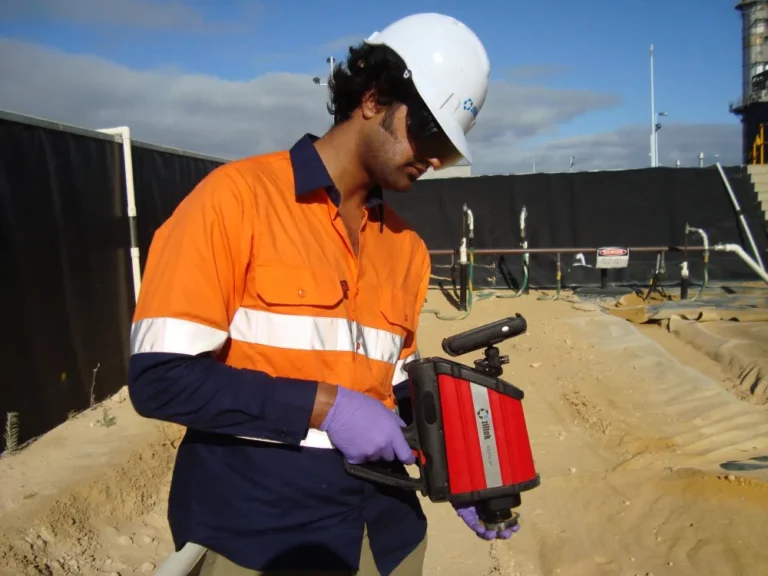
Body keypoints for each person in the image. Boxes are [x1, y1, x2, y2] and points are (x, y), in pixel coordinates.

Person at [128, 12, 514, 576]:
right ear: (374, 99)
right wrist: (328, 407)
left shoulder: (406, 248)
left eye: (449, 152)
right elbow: (160, 379)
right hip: (260, 541)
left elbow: (396, 386)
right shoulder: (234, 201)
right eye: (430, 134)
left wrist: (461, 464)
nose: (435, 160)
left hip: (386, 539)